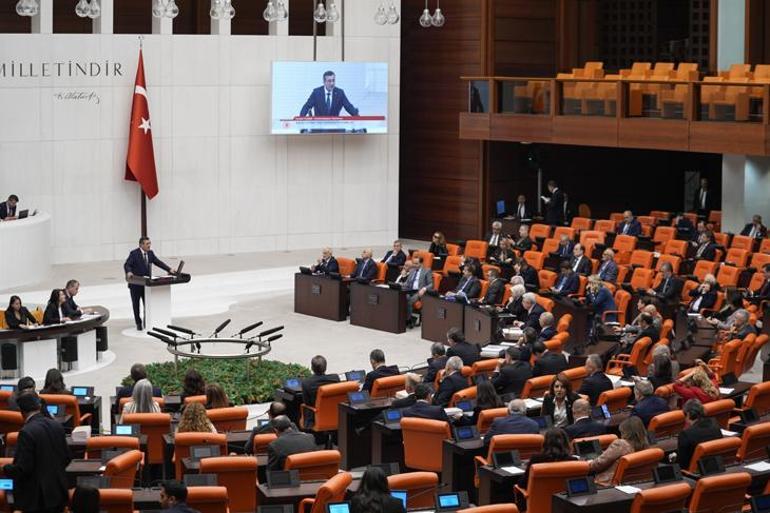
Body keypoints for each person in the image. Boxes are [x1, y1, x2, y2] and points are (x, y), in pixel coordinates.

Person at [2, 392, 71, 513]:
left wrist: (5, 468)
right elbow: (67, 458)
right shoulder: (57, 425)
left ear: (21, 411)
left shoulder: (26, 432)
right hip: (58, 493)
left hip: (38, 499)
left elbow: (23, 468)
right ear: (39, 406)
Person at [124, 237, 174, 331]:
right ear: (141, 245)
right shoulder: (134, 254)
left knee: (147, 305)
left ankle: (146, 322)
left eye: (149, 243)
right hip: (135, 284)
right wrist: (129, 272)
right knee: (136, 305)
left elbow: (158, 262)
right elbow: (127, 264)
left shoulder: (150, 253)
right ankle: (138, 323)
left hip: (146, 285)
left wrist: (169, 269)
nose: (149, 245)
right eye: (147, 244)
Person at [588, 416, 649, 486]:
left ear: (626, 432)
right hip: (634, 483)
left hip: (607, 485)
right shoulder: (645, 446)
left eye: (621, 432)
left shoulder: (620, 444)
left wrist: (588, 463)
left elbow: (598, 464)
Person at [675, 399, 722, 470]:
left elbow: (682, 464)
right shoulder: (714, 423)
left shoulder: (685, 434)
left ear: (688, 414)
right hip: (715, 467)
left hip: (695, 473)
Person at [399, 255, 433, 325]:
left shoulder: (427, 270)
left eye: (416, 264)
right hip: (409, 290)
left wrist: (424, 289)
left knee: (410, 301)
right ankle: (405, 318)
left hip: (418, 291)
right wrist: (401, 284)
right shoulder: (412, 270)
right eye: (413, 263)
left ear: (421, 263)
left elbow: (431, 284)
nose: (414, 265)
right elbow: (407, 282)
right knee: (401, 296)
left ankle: (408, 320)